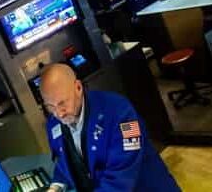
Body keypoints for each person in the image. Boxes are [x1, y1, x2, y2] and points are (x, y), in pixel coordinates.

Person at [40, 64, 180, 191]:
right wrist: (55, 187)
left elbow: (121, 179)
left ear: (78, 87)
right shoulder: (54, 124)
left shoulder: (121, 112)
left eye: (62, 103)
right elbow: (65, 161)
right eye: (50, 106)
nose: (59, 113)